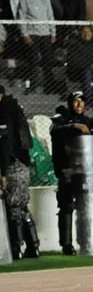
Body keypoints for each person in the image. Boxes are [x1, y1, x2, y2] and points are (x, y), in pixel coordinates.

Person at [50, 90, 93, 256]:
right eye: (76, 101)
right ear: (70, 103)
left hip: (85, 169)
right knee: (66, 206)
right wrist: (73, 126)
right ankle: (67, 245)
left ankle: (86, 241)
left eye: (82, 101)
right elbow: (55, 131)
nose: (80, 105)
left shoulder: (88, 120)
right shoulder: (59, 119)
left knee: (85, 206)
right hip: (66, 169)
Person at [0, 85, 39, 260]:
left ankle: (17, 248)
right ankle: (33, 246)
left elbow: (4, 145)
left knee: (14, 206)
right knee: (22, 206)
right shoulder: (16, 110)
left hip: (12, 163)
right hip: (23, 162)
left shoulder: (4, 113)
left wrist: (3, 172)